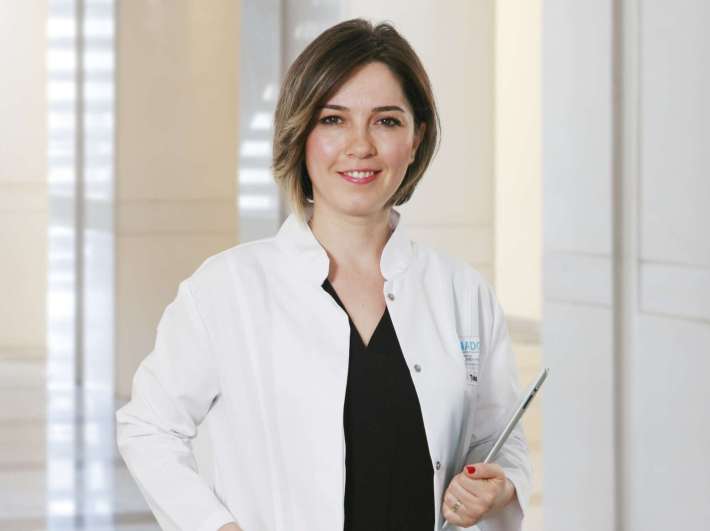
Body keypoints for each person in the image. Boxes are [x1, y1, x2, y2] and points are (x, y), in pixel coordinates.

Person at [115, 19, 532, 531]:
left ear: (416, 138)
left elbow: (499, 441)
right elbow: (148, 427)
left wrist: (498, 486)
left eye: (387, 121)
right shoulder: (227, 288)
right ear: (302, 134)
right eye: (333, 119)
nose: (360, 146)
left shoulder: (462, 293)